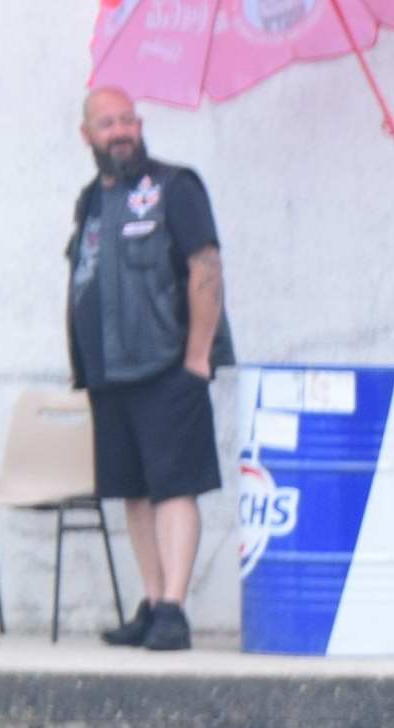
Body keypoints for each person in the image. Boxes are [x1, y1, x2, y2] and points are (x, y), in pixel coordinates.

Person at [66, 87, 232, 653]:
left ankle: (174, 608)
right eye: (107, 122)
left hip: (167, 367)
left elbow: (205, 265)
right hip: (109, 375)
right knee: (133, 493)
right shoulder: (89, 201)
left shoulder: (173, 188)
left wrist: (197, 357)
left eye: (128, 120)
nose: (121, 131)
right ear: (86, 134)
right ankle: (152, 598)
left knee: (173, 487)